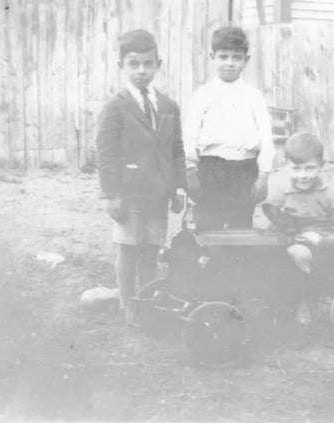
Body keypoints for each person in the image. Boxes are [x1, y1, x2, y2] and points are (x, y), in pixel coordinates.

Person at [96, 29, 186, 326]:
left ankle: (146, 300)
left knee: (151, 249)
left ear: (158, 64)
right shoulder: (116, 107)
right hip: (129, 194)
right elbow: (106, 154)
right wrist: (112, 195)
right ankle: (126, 302)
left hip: (158, 195)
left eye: (147, 64)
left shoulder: (168, 106)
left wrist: (178, 189)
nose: (141, 71)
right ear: (121, 65)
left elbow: (176, 149)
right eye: (133, 64)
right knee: (129, 248)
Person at [184, 26, 274, 230]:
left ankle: (235, 261)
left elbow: (266, 139)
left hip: (244, 170)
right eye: (223, 56)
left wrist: (263, 176)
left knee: (240, 224)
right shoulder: (202, 95)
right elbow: (189, 136)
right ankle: (210, 260)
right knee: (208, 223)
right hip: (210, 169)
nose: (230, 63)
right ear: (212, 57)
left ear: (246, 59)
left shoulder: (254, 96)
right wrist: (191, 172)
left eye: (236, 57)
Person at [264, 132, 334, 326]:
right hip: (291, 238)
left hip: (321, 246)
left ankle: (303, 304)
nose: (303, 175)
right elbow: (266, 215)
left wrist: (320, 239)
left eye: (310, 168)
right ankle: (273, 303)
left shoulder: (331, 195)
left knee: (296, 252)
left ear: (321, 165)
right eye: (296, 169)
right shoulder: (281, 190)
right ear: (286, 165)